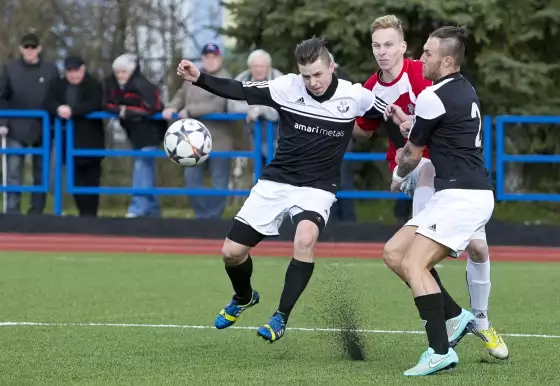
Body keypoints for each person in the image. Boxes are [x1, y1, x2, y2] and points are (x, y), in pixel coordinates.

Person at [176, 37, 387, 343]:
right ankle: (244, 296)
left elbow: (387, 113)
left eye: (318, 74)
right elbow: (240, 89)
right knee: (231, 254)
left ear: (331, 67)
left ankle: (281, 316)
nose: (312, 82)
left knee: (305, 238)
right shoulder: (286, 87)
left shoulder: (354, 95)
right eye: (306, 76)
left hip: (318, 187)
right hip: (277, 181)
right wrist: (200, 78)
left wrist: (402, 131)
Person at [356, 15, 507, 359]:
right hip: (428, 174)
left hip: (446, 176)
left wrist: (407, 141)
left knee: (476, 249)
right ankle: (454, 318)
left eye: (389, 44)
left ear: (403, 47)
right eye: (377, 45)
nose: (383, 52)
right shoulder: (370, 88)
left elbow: (434, 123)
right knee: (409, 258)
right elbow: (363, 130)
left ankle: (478, 322)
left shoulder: (424, 77)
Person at [383, 26, 496, 376]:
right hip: (458, 193)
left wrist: (398, 177)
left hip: (462, 197)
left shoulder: (433, 95)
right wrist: (412, 125)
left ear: (446, 61)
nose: (421, 59)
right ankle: (458, 316)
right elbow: (437, 129)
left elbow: (412, 155)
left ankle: (439, 350)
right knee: (394, 253)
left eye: (428, 54)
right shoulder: (464, 89)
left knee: (415, 265)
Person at [163, 43, 233, 219]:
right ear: (202, 59)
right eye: (206, 57)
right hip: (191, 142)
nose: (210, 61)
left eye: (214, 57)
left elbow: (217, 105)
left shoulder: (225, 78)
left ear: (220, 58)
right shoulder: (193, 76)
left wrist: (190, 111)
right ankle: (202, 217)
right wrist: (171, 107)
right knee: (192, 180)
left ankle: (214, 218)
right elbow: (180, 96)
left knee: (219, 182)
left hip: (218, 140)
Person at [0, 33, 59, 214]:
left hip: (43, 128)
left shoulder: (51, 69)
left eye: (33, 47)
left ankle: (37, 210)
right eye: (26, 47)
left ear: (39, 49)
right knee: (13, 171)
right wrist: (3, 122)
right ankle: (12, 210)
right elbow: (2, 96)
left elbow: (57, 96)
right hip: (16, 128)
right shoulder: (10, 68)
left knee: (42, 173)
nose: (30, 51)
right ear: (20, 49)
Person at [104, 53, 164, 218]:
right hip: (134, 134)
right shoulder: (113, 85)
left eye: (123, 71)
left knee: (142, 166)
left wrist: (130, 112)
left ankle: (138, 207)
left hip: (150, 133)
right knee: (145, 169)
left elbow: (154, 107)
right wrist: (121, 110)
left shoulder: (144, 86)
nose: (120, 75)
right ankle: (152, 210)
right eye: (117, 72)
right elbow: (106, 103)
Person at [44, 56, 104, 216]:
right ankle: (82, 215)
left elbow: (95, 103)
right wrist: (58, 108)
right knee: (75, 180)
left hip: (91, 142)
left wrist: (72, 111)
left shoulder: (94, 85)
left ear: (83, 69)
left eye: (76, 70)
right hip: (67, 142)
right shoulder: (59, 85)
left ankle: (91, 216)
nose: (73, 74)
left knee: (92, 181)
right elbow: (47, 102)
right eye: (69, 71)